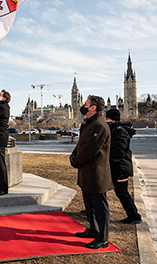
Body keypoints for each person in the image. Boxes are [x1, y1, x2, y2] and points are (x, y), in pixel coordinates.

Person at [70, 95, 113, 249]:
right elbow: (82, 144)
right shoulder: (89, 123)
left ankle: (103, 238)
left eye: (86, 104)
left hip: (96, 173)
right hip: (87, 171)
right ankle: (93, 229)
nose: (83, 106)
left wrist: (76, 160)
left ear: (93, 108)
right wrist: (74, 155)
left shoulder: (99, 125)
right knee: (89, 204)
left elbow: (90, 149)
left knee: (100, 206)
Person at [105, 108, 142, 224]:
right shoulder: (113, 129)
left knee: (122, 193)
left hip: (120, 168)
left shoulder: (120, 131)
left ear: (113, 120)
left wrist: (108, 161)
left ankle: (134, 215)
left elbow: (118, 151)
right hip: (115, 167)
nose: (105, 120)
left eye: (107, 118)